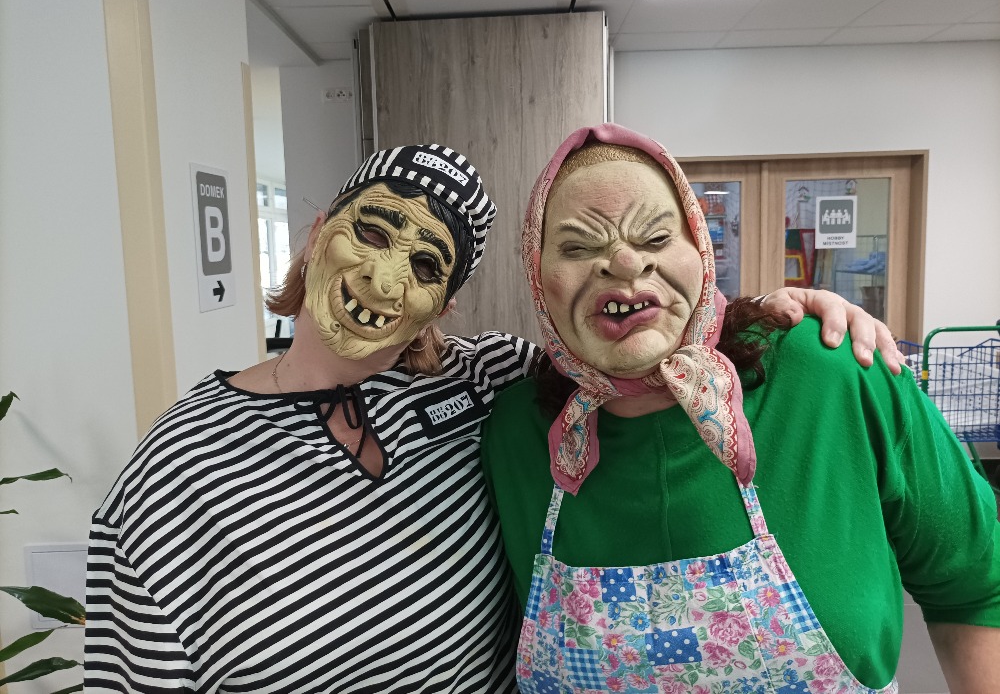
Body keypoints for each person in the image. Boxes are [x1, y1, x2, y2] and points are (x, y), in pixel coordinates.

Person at [85, 142, 903, 693]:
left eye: (426, 265)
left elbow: (627, 341)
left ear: (443, 305)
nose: (382, 279)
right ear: (316, 235)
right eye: (370, 232)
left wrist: (774, 316)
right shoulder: (176, 468)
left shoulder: (491, 383)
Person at [480, 123, 1000, 694]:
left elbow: (978, 588)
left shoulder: (834, 373)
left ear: (699, 249)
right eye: (578, 247)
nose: (625, 263)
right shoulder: (514, 431)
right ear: (536, 274)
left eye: (656, 237)